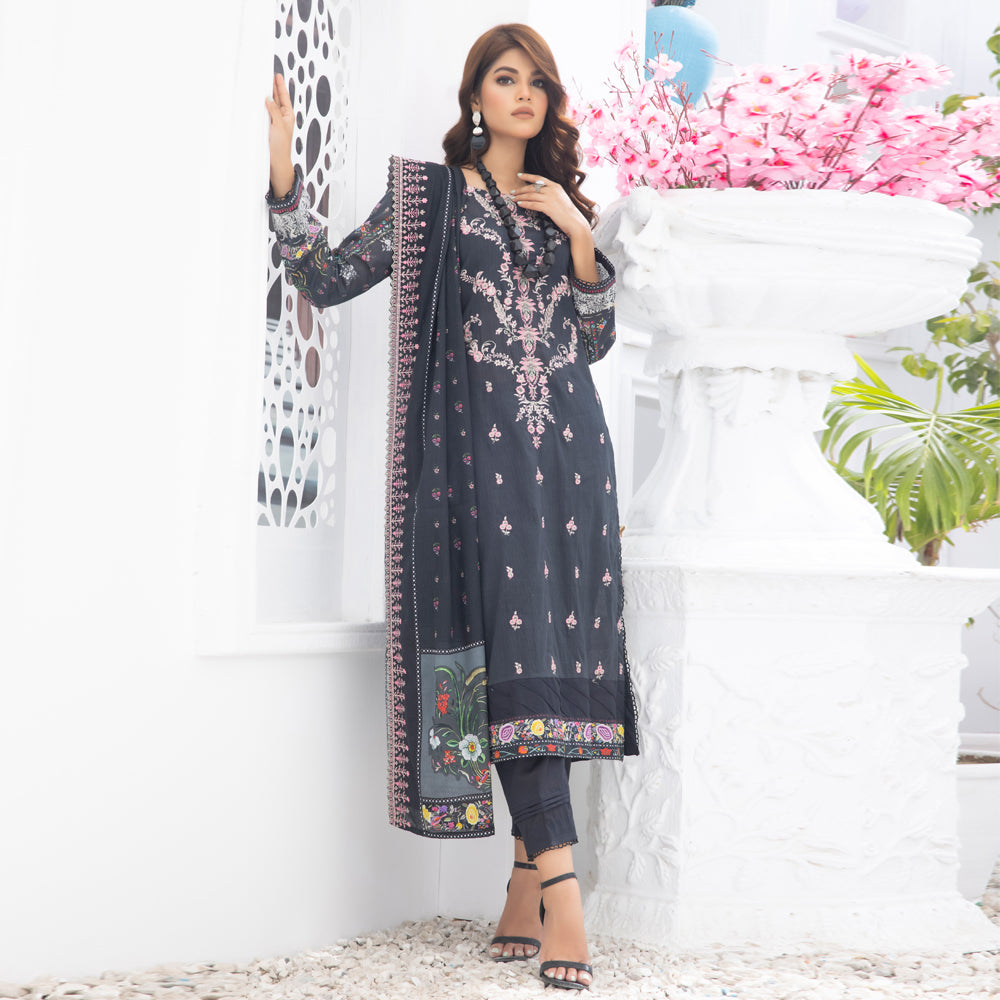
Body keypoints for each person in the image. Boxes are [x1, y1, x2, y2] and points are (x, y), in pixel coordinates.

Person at [264, 22, 638, 992]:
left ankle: (525, 884)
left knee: (550, 659)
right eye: (505, 78)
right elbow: (325, 279)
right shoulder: (430, 199)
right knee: (505, 662)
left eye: (538, 82)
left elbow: (595, 340)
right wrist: (285, 176)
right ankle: (563, 891)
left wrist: (578, 233)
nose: (525, 94)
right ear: (475, 96)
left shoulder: (562, 207)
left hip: (569, 460)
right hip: (474, 467)